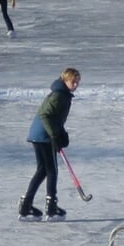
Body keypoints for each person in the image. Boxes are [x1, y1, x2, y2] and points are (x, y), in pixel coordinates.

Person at [20, 67, 79, 220]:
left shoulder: (62, 94)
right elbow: (45, 115)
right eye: (73, 81)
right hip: (43, 136)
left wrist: (62, 133)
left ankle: (26, 206)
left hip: (38, 134)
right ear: (65, 80)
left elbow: (55, 118)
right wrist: (53, 135)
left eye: (77, 82)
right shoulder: (59, 95)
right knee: (51, 170)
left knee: (42, 170)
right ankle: (51, 207)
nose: (76, 85)